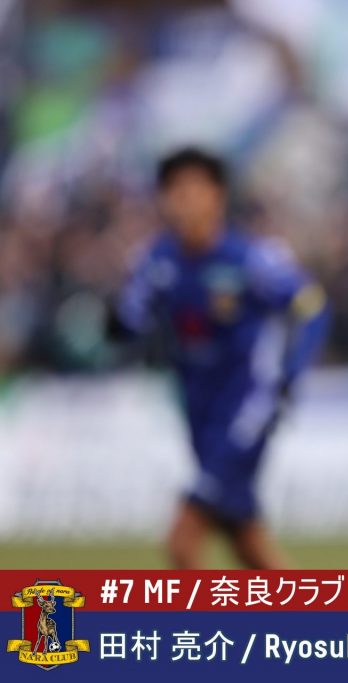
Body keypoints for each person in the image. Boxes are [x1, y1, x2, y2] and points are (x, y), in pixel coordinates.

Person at [117, 147, 328, 569]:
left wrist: (290, 375)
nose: (185, 201)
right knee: (247, 543)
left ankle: (206, 617)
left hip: (246, 407)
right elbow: (128, 322)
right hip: (197, 408)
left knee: (182, 542)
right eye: (175, 191)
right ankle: (323, 611)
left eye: (195, 190)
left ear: (218, 196)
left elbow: (312, 307)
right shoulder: (156, 261)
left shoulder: (251, 259)